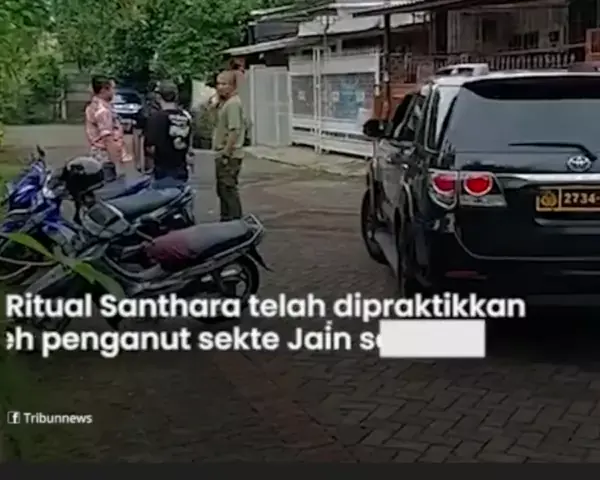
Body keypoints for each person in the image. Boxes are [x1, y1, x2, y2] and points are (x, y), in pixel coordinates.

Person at [211, 70, 247, 221]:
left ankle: (234, 220)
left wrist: (226, 152)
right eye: (218, 84)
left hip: (229, 155)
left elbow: (234, 130)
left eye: (224, 84)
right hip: (223, 153)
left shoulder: (233, 104)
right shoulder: (225, 103)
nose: (220, 87)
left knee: (228, 189)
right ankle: (226, 219)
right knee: (223, 190)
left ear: (233, 86)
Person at [144, 80, 193, 189]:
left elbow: (150, 147)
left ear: (158, 97)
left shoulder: (156, 118)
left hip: (162, 169)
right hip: (181, 168)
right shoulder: (185, 117)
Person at [84, 76, 124, 166]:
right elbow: (107, 138)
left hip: (98, 153)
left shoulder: (94, 105)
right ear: (103, 90)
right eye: (112, 88)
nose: (114, 92)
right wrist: (115, 162)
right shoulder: (103, 111)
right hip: (105, 155)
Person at [132, 81, 161, 173]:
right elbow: (136, 136)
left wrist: (137, 161)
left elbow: (136, 136)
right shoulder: (146, 112)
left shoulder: (145, 111)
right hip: (153, 154)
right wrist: (137, 161)